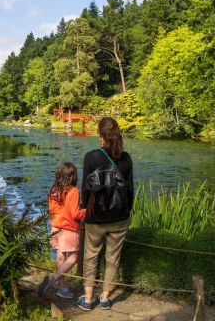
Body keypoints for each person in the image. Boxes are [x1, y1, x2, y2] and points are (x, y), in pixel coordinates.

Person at [76, 117, 134, 311]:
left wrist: (84, 208)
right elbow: (130, 189)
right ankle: (106, 297)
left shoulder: (91, 157)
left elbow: (86, 188)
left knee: (91, 255)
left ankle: (88, 298)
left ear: (100, 134)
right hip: (120, 217)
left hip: (96, 218)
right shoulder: (126, 158)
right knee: (113, 257)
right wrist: (127, 211)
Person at [38, 162, 86, 299]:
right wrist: (87, 211)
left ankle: (63, 288)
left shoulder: (53, 190)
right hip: (68, 229)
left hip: (55, 228)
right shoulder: (74, 191)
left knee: (60, 256)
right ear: (73, 177)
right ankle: (54, 279)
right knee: (74, 257)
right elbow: (75, 214)